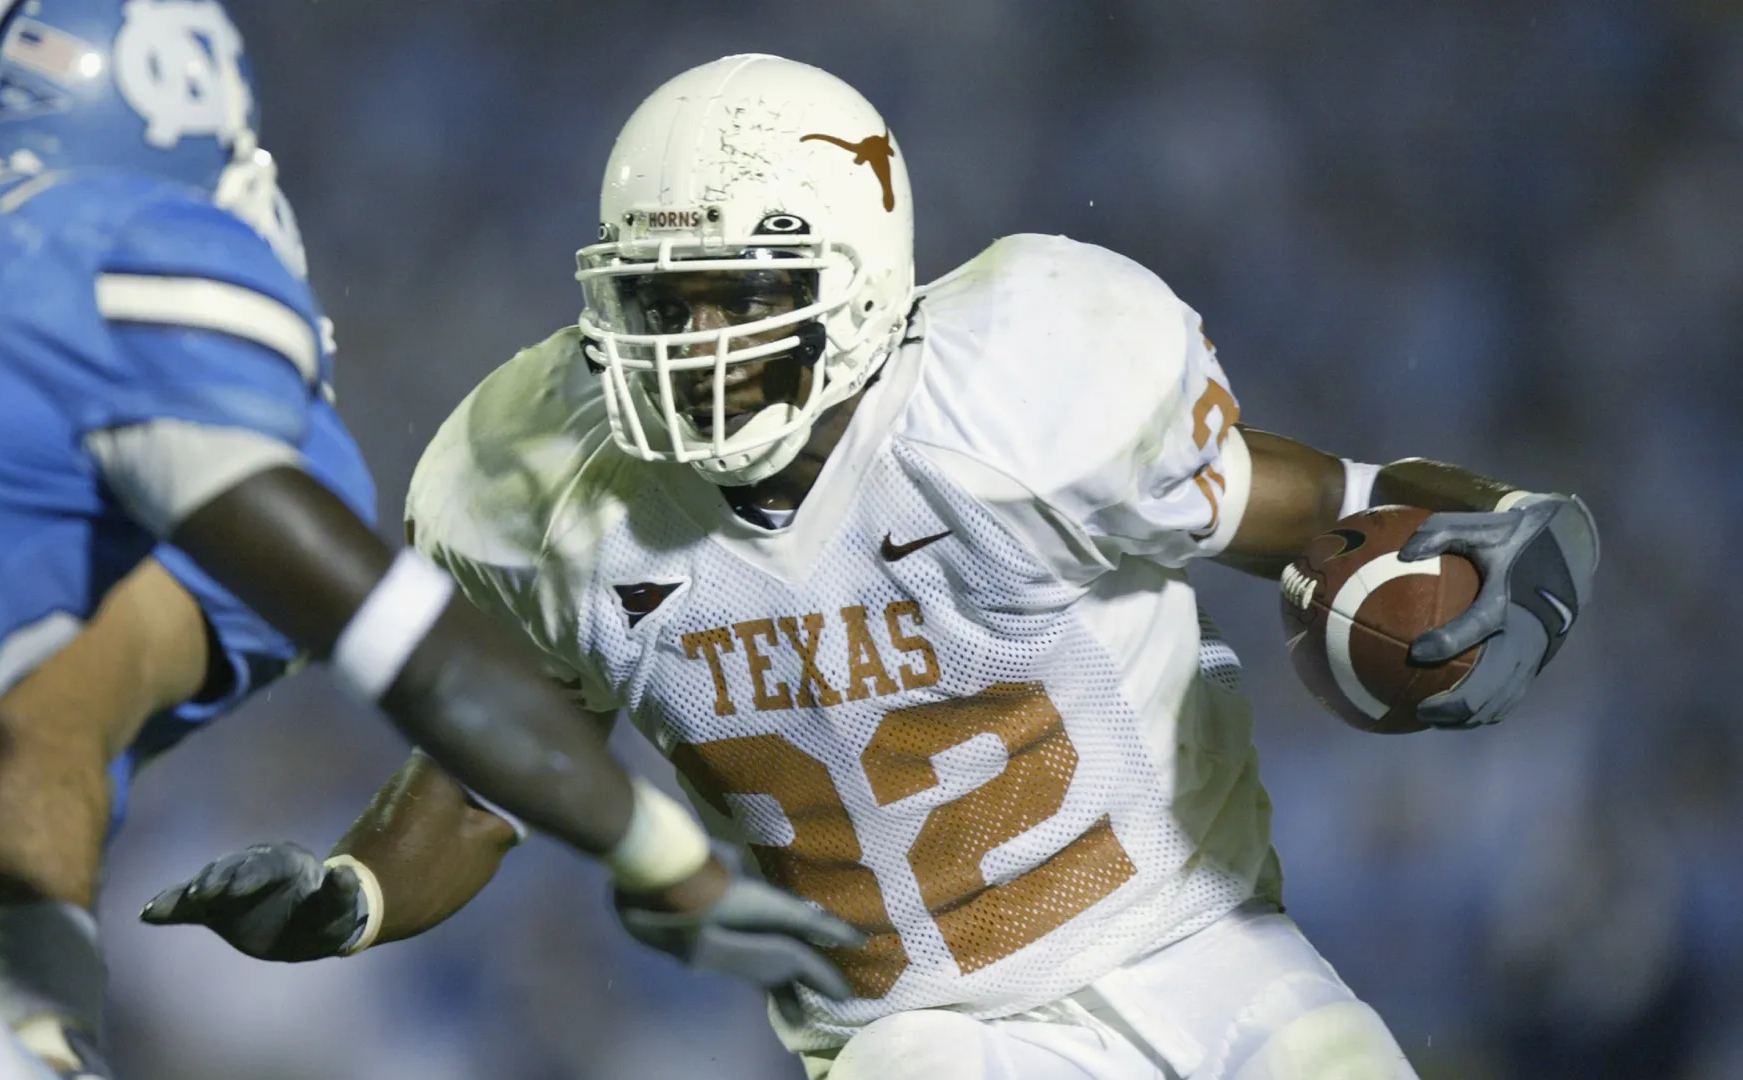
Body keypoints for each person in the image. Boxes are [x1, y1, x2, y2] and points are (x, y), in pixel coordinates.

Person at [140, 54, 1600, 1080]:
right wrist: (354, 893)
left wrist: (1513, 544)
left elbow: (1344, 506)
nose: (689, 344)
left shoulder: (1024, 396)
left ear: (858, 278)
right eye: (657, 298)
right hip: (911, 1027)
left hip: (1191, 939)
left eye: (738, 299)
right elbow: (482, 774)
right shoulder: (548, 489)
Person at [0, 11, 854, 1079]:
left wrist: (44, 1033)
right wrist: (671, 864)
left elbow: (31, 733)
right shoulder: (133, 256)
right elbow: (412, 650)